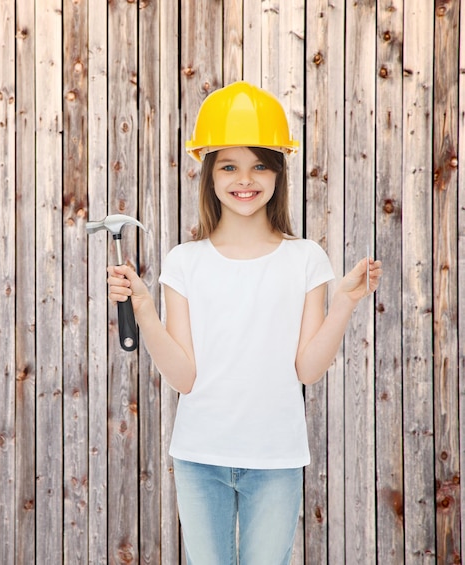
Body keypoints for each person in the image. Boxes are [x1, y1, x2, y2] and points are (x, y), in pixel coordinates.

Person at [107, 81, 383, 565]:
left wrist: (343, 302)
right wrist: (146, 310)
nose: (245, 179)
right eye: (229, 165)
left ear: (277, 172)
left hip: (275, 460)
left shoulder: (306, 259)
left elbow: (307, 370)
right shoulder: (183, 262)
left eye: (259, 164)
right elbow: (184, 377)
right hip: (199, 457)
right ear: (209, 174)